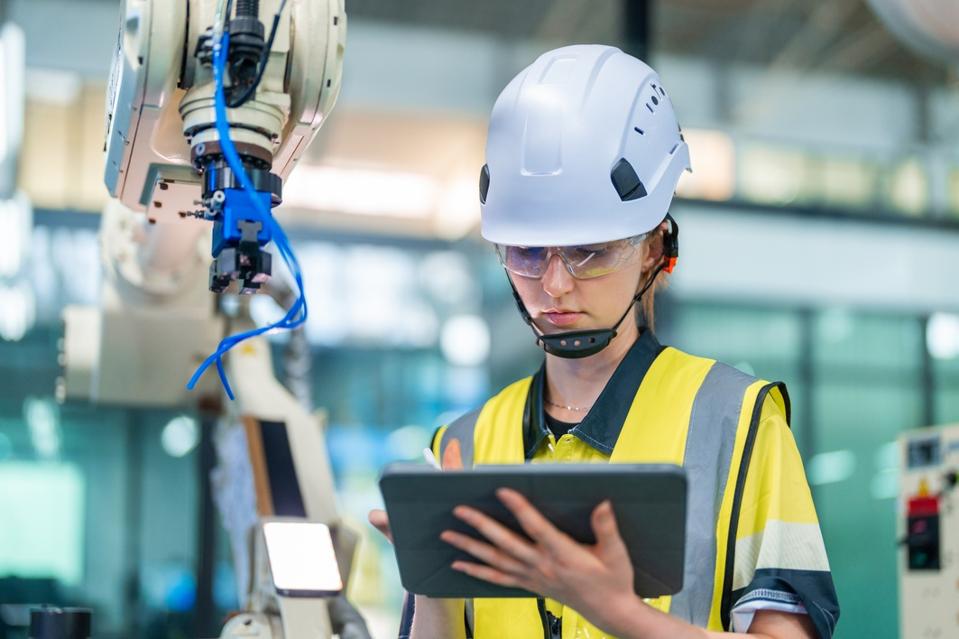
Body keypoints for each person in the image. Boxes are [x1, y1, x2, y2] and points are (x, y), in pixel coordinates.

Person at [369, 44, 839, 639]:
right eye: (527, 252)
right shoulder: (461, 445)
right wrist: (432, 589)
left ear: (653, 247)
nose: (555, 284)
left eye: (589, 251)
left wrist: (620, 614)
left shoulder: (736, 421)